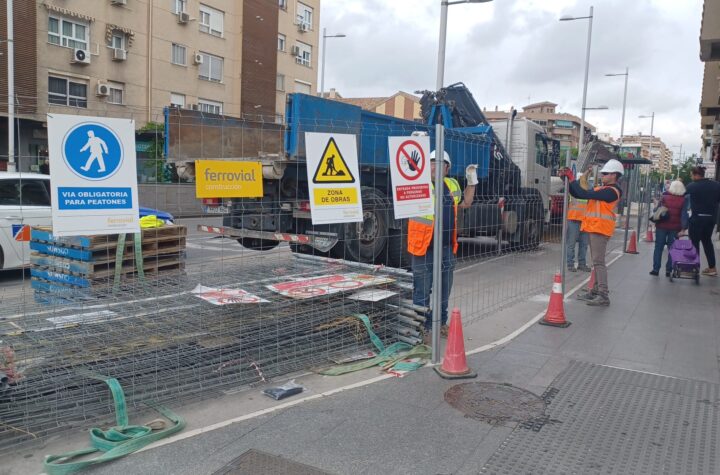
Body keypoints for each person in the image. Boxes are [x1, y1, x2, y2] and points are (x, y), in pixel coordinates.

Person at [408, 150, 475, 343]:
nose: (435, 167)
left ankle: (441, 323)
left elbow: (466, 203)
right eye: (431, 163)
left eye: (440, 164)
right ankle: (422, 329)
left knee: (444, 290)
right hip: (423, 248)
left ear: (447, 168)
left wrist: (472, 182)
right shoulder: (418, 184)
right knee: (422, 291)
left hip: (446, 248)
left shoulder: (451, 185)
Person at [560, 159, 624, 306]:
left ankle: (603, 294)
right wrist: (567, 181)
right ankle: (595, 291)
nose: (602, 175)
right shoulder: (603, 189)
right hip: (595, 228)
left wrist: (571, 179)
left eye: (605, 173)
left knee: (599, 262)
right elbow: (580, 194)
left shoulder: (611, 191)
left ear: (614, 175)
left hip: (600, 229)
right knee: (596, 261)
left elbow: (583, 194)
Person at [685, 166, 720, 276]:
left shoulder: (691, 186)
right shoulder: (717, 185)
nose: (691, 177)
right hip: (711, 219)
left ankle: (694, 269)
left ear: (696, 175)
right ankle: (712, 268)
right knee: (707, 241)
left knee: (694, 243)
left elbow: (683, 198)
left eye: (692, 175)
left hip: (697, 218)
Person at [650, 180, 688, 277]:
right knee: (672, 249)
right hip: (675, 228)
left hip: (661, 226)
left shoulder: (664, 197)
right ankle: (668, 270)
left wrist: (655, 205)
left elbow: (656, 210)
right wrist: (684, 228)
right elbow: (684, 215)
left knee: (658, 247)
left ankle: (655, 269)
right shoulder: (683, 200)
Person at [566, 190, 590, 273]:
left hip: (585, 220)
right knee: (571, 244)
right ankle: (570, 264)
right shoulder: (574, 190)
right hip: (573, 219)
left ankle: (582, 264)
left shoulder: (589, 190)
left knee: (584, 244)